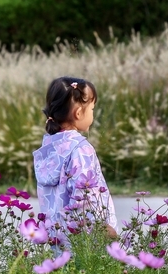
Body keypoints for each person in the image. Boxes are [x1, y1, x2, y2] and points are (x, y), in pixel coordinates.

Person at [33, 76, 118, 244]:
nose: (92, 113)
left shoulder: (49, 147)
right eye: (92, 109)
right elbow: (84, 193)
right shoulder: (80, 149)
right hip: (87, 242)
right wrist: (103, 228)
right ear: (79, 113)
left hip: (58, 237)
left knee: (65, 270)